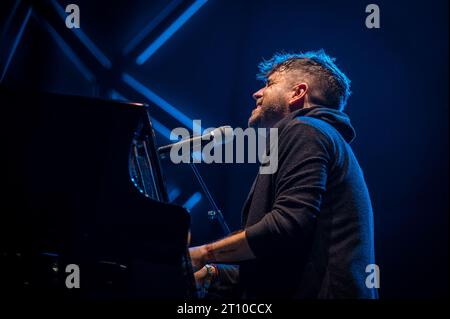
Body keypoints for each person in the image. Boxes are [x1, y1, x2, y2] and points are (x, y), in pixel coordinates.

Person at [189, 49, 378, 299]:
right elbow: (280, 262)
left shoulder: (305, 130)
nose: (256, 93)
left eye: (268, 84)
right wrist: (212, 274)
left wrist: (201, 254)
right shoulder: (318, 135)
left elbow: (286, 227)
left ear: (298, 93)